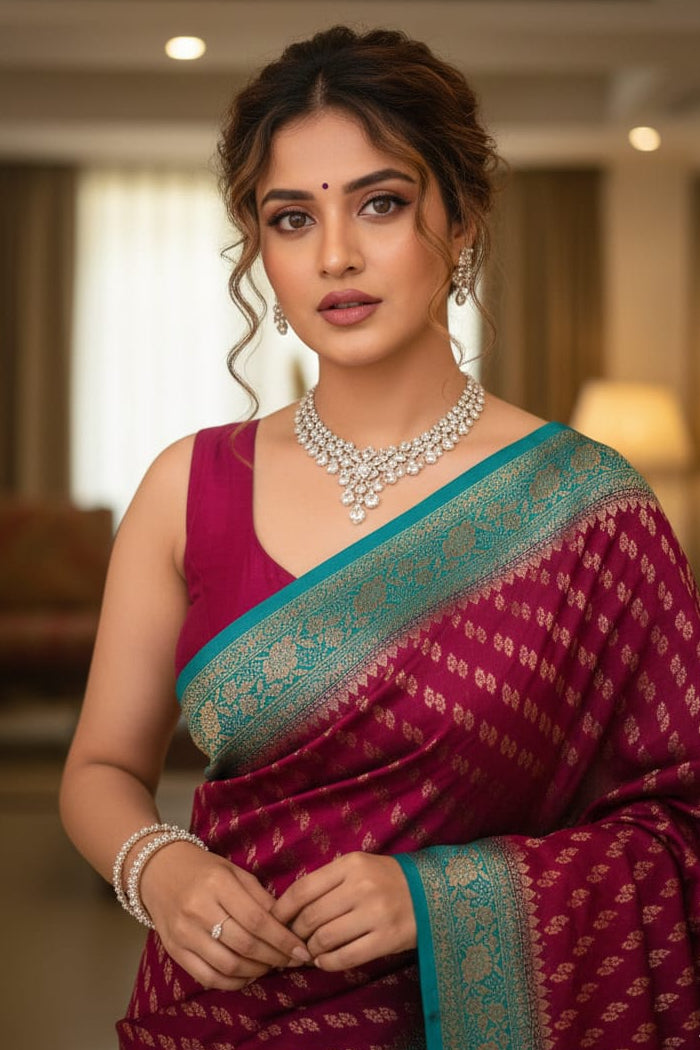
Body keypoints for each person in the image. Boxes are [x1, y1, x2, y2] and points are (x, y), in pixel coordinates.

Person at [59, 24, 700, 1050]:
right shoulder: (189, 486)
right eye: (291, 217)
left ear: (463, 218)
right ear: (258, 246)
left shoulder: (588, 510)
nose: (336, 255)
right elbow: (98, 769)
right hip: (208, 1016)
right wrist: (160, 868)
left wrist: (440, 900)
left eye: (380, 203)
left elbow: (680, 830)